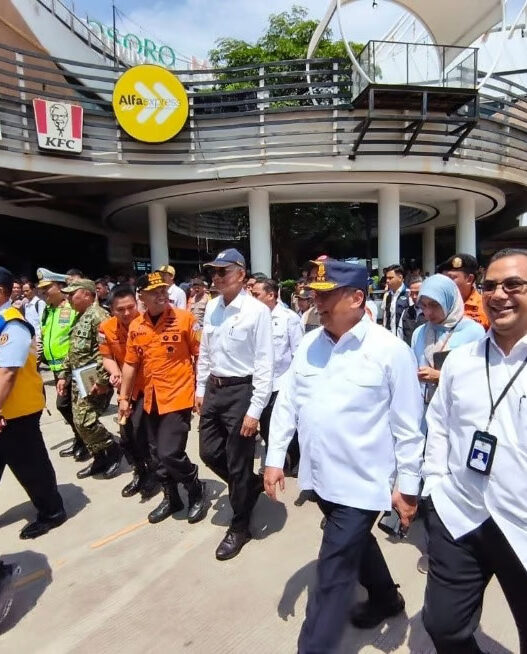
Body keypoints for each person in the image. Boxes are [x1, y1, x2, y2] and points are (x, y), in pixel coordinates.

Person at [264, 259, 424, 654]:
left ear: (355, 298)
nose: (317, 303)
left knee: (332, 575)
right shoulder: (309, 345)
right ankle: (386, 599)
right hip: (320, 478)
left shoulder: (390, 351)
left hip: (364, 482)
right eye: (315, 295)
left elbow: (408, 427)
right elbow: (288, 403)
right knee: (356, 544)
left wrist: (408, 487)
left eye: (327, 295)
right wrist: (274, 458)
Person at [422, 248, 527, 653]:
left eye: (513, 285)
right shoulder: (461, 360)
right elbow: (439, 424)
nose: (499, 295)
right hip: (461, 513)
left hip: (520, 522)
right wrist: (434, 487)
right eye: (491, 286)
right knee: (444, 626)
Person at [196, 248, 273, 560]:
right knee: (208, 452)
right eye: (212, 272)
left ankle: (240, 526)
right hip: (214, 389)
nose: (215, 277)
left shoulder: (257, 312)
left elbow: (265, 364)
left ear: (241, 274)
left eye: (222, 271)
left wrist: (255, 410)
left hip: (242, 391)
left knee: (239, 461)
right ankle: (248, 485)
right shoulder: (212, 306)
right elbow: (205, 351)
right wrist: (200, 388)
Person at [119, 272, 207, 525]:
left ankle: (194, 487)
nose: (161, 295)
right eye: (154, 292)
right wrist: (124, 398)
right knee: (155, 454)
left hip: (178, 395)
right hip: (150, 398)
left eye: (163, 290)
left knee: (169, 452)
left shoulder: (185, 319)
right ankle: (171, 498)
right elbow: (130, 364)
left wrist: (200, 391)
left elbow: (201, 356)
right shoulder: (137, 326)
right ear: (142, 297)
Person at [0, 267, 67, 539]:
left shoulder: (12, 325)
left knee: (30, 465)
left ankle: (52, 512)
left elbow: (7, 373)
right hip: (5, 409)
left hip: (18, 411)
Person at [57, 279, 120, 479]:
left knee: (86, 420)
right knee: (79, 420)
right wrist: (63, 374)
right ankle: (99, 457)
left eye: (72, 294)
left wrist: (102, 380)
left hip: (93, 377)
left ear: (86, 294)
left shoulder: (99, 316)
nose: (68, 298)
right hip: (79, 376)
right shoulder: (79, 317)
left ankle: (113, 450)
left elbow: (107, 352)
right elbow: (73, 350)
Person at [98, 285, 157, 499]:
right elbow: (107, 356)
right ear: (111, 309)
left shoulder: (148, 324)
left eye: (130, 307)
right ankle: (139, 471)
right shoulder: (105, 328)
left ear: (137, 304)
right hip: (125, 389)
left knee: (144, 433)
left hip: (147, 387)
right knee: (126, 436)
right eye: (120, 309)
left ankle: (154, 474)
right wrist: (115, 372)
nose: (126, 313)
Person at [37, 268, 89, 462]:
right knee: (68, 407)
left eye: (47, 288)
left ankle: (87, 442)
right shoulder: (47, 310)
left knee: (66, 406)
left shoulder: (72, 308)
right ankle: (80, 440)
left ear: (60, 287)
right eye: (42, 289)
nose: (43, 292)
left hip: (72, 368)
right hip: (55, 368)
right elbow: (44, 336)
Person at [251, 278, 303, 471]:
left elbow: (297, 352)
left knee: (282, 423)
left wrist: (294, 383)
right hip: (260, 381)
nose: (252, 298)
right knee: (265, 424)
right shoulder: (251, 318)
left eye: (256, 295)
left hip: (282, 381)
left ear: (271, 295)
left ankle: (292, 459)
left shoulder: (289, 318)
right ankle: (277, 460)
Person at [412, 275, 485, 405]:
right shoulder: (419, 333)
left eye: (435, 305)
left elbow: (481, 377)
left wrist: (440, 376)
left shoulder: (473, 332)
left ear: (449, 301)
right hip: (426, 409)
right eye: (423, 305)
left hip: (460, 408)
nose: (428, 312)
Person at [439, 253, 490, 330]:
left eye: (451, 277)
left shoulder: (486, 307)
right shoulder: (437, 305)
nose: (446, 283)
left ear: (469, 279)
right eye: (443, 278)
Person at [398, 276, 426, 346]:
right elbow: (400, 335)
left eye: (417, 293)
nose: (414, 297)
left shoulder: (430, 314)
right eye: (412, 293)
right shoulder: (406, 312)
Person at [382, 264, 410, 335]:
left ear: (400, 278)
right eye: (387, 278)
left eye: (390, 278)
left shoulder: (409, 294)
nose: (387, 281)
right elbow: (385, 317)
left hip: (404, 337)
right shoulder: (387, 295)